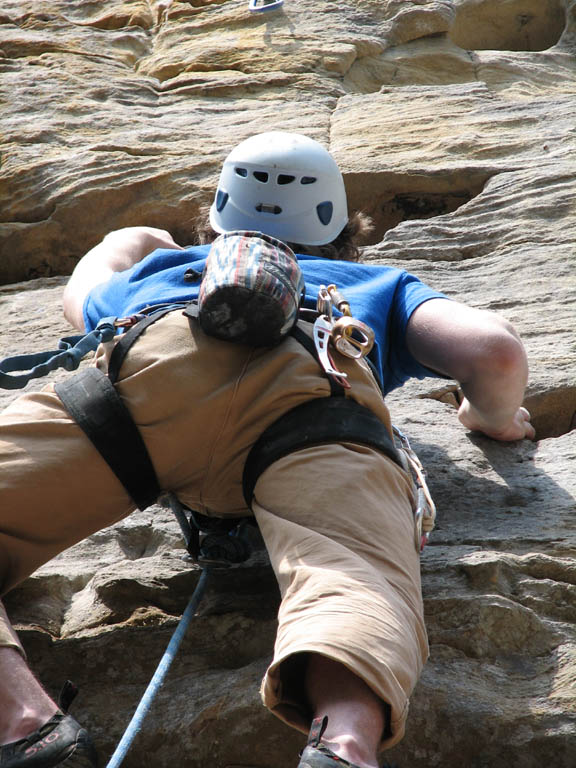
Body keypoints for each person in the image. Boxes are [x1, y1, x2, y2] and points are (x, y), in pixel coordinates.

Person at [0, 132, 534, 768]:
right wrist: (491, 417)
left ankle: (25, 727)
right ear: (341, 231)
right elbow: (493, 351)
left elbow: (85, 284)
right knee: (353, 584)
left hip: (147, 381)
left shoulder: (163, 272)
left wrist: (145, 240)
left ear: (218, 221)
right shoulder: (372, 281)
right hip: (313, 406)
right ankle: (342, 747)